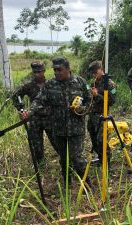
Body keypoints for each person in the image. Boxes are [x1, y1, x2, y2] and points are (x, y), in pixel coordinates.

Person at [21, 56, 91, 186]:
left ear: (68, 69)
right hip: (59, 130)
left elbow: (89, 100)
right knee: (64, 159)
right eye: (55, 70)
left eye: (59, 69)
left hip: (76, 129)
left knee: (77, 158)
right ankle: (67, 183)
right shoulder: (50, 85)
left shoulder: (80, 82)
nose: (56, 72)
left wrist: (83, 109)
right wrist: (29, 112)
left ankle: (87, 183)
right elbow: (39, 101)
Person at [12, 60, 57, 164]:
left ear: (44, 71)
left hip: (49, 117)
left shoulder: (50, 84)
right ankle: (40, 164)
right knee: (36, 144)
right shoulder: (29, 85)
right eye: (35, 72)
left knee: (56, 141)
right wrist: (21, 109)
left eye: (40, 72)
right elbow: (16, 95)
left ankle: (65, 161)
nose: (37, 74)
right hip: (34, 118)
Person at [87, 60, 116, 165]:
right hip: (92, 115)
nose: (94, 75)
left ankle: (106, 161)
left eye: (96, 72)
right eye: (92, 73)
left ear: (101, 69)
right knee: (93, 137)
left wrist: (97, 96)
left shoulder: (109, 84)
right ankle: (100, 158)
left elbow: (112, 101)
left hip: (102, 115)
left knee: (101, 140)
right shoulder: (94, 82)